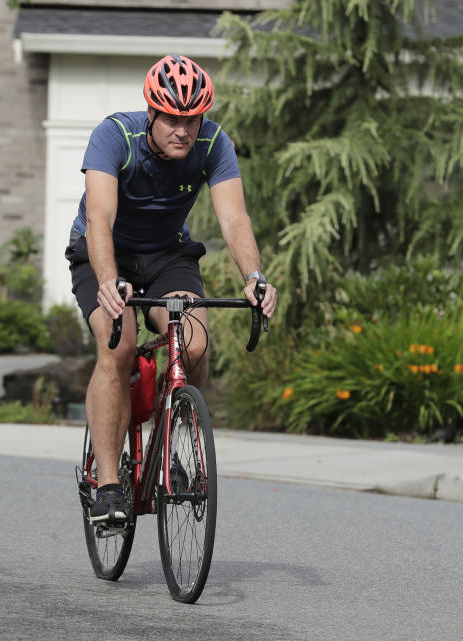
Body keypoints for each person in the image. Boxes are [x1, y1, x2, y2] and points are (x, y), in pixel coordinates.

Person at [65, 54, 278, 524]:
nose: (183, 130)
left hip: (168, 255)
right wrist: (107, 281)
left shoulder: (214, 142)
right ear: (152, 113)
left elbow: (234, 218)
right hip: (104, 252)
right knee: (117, 349)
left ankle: (168, 446)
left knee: (195, 346)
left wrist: (253, 277)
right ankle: (108, 485)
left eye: (192, 119)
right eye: (172, 120)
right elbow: (99, 218)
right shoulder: (115, 136)